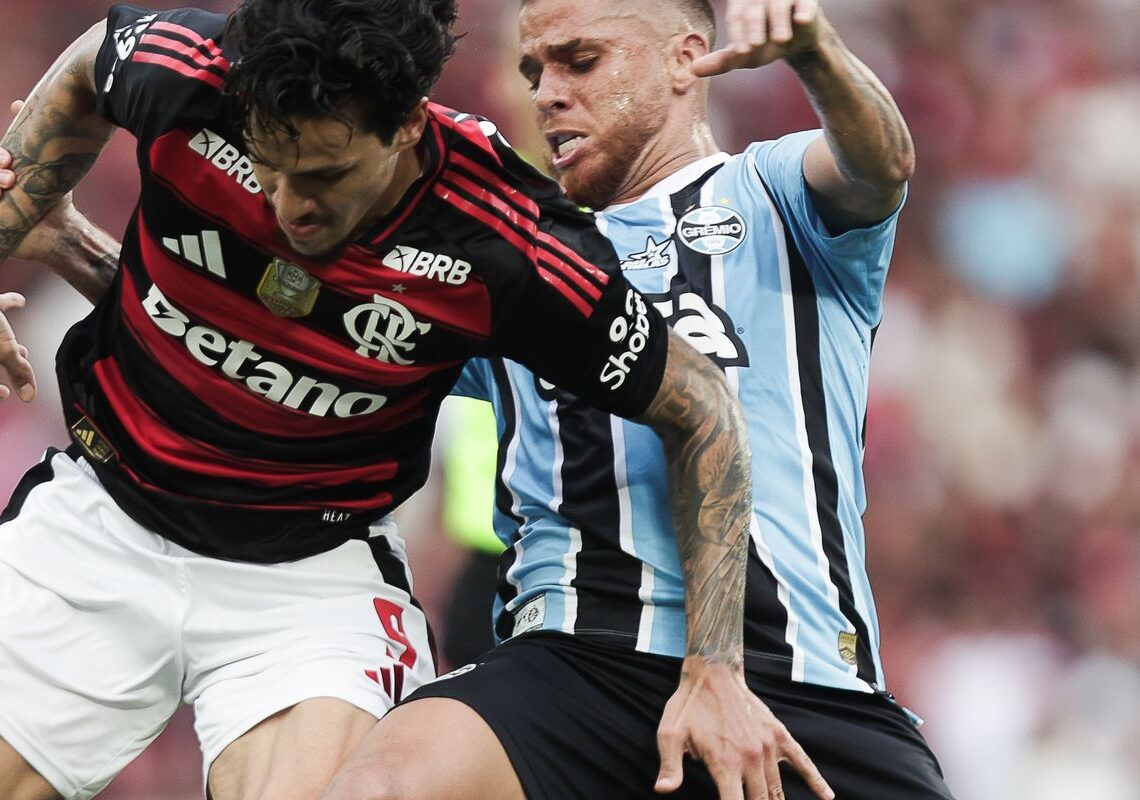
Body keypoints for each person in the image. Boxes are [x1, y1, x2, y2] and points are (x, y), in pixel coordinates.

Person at [0, 1, 785, 799]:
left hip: (307, 587)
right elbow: (95, 59)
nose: (289, 208)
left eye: (326, 176)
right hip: (97, 523)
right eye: (267, 166)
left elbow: (703, 408)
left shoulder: (511, 245)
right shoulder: (187, 73)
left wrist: (715, 665)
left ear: (409, 124)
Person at [320, 0, 954, 798]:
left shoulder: (772, 192)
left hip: (799, 683)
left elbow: (881, 164)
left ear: (683, 58)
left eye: (580, 61)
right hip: (569, 668)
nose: (547, 93)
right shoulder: (510, 258)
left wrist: (817, 53)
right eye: (533, 72)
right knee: (377, 787)